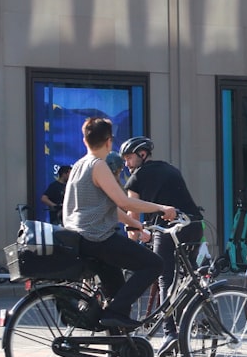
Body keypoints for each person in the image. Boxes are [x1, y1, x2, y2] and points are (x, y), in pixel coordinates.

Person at [62, 117, 176, 337]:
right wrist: (161, 208)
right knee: (154, 264)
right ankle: (115, 312)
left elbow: (108, 207)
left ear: (84, 140)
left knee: (116, 292)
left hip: (81, 238)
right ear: (109, 141)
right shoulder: (98, 165)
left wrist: (135, 224)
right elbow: (123, 202)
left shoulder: (78, 165)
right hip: (97, 238)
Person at [120, 136, 203, 355]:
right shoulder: (170, 169)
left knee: (165, 277)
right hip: (194, 225)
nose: (127, 164)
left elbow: (133, 216)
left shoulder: (135, 179)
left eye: (129, 158)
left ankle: (170, 333)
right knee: (187, 276)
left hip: (170, 229)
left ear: (142, 154)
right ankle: (196, 318)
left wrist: (131, 248)